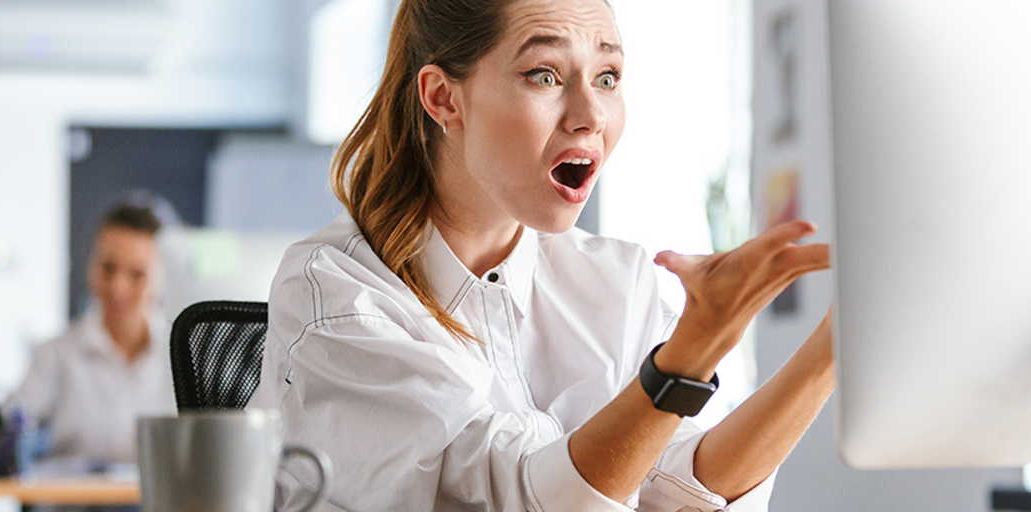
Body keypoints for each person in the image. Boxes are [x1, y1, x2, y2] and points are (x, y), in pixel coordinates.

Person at [251, 0, 833, 510]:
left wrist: (841, 341)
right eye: (545, 75)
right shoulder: (336, 293)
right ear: (443, 99)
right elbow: (510, 496)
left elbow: (680, 488)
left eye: (607, 77)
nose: (591, 116)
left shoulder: (614, 280)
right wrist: (689, 353)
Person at [9, 202, 176, 466]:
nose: (118, 288)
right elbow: (6, 435)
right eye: (108, 268)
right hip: (73, 505)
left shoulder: (183, 358)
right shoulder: (53, 355)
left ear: (162, 278)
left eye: (137, 275)